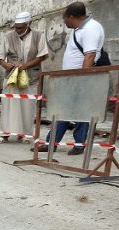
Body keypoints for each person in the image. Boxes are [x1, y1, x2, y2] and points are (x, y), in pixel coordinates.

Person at [42, 2, 106, 155]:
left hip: (80, 79)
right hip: (73, 79)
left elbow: (90, 55)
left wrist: (82, 80)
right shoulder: (81, 29)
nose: (64, 22)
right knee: (64, 110)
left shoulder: (90, 29)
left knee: (81, 112)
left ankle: (77, 144)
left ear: (71, 17)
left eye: (64, 19)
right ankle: (52, 143)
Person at [0, 11, 48, 144]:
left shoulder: (38, 36)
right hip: (12, 77)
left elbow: (42, 56)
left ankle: (25, 134)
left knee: (27, 106)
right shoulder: (8, 36)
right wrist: (6, 65)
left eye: (21, 27)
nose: (17, 30)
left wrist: (25, 66)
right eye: (16, 27)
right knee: (8, 105)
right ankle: (5, 133)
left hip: (31, 77)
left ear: (29, 24)